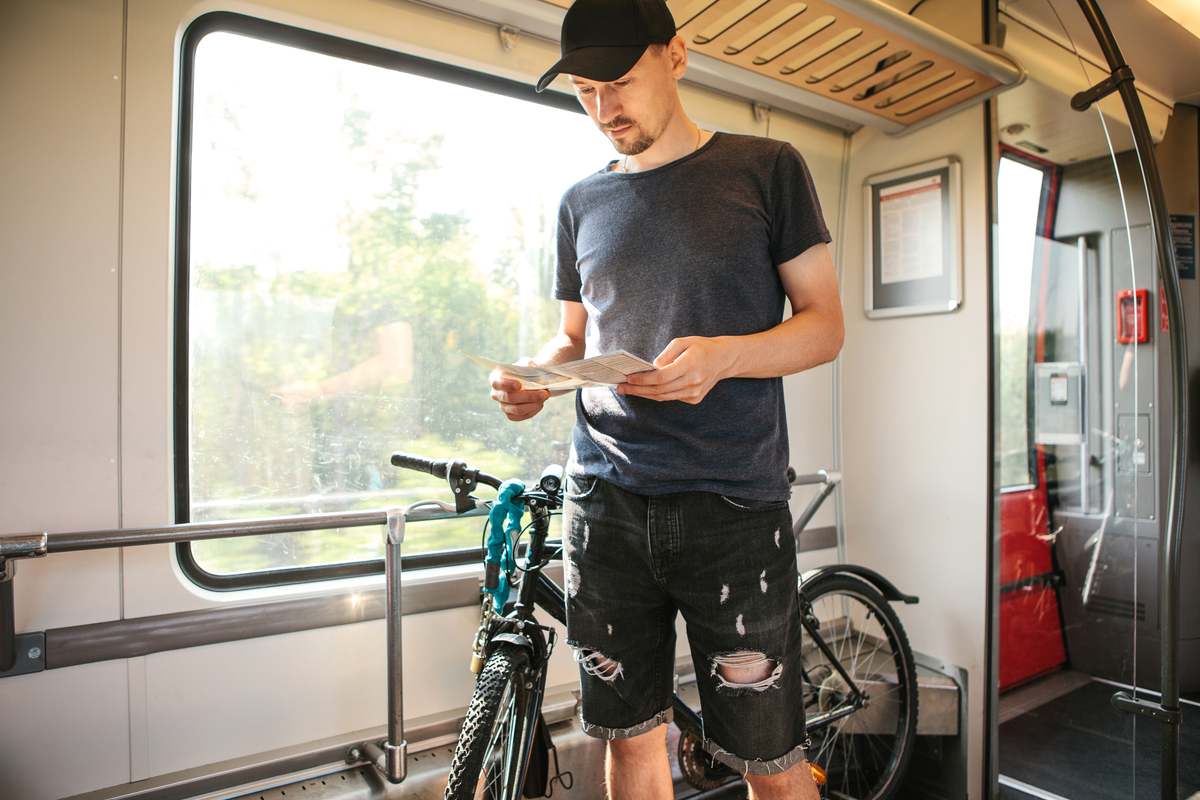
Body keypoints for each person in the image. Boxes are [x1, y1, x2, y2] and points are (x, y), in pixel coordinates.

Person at [488, 1, 844, 798]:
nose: (604, 109)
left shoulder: (767, 166)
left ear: (676, 58)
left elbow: (825, 328)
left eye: (619, 82)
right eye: (585, 90)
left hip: (734, 508)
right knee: (628, 741)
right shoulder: (580, 203)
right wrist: (534, 380)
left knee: (770, 759)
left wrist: (725, 357)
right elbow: (572, 341)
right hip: (606, 503)